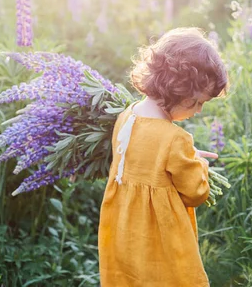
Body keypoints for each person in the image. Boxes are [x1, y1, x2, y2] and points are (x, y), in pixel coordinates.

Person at [98, 27, 228, 286]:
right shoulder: (174, 139)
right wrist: (199, 164)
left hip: (124, 233)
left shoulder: (127, 116)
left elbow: (145, 159)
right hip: (159, 242)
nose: (199, 111)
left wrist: (185, 157)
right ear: (176, 89)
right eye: (197, 102)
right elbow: (195, 192)